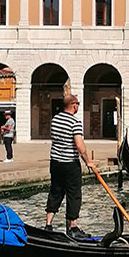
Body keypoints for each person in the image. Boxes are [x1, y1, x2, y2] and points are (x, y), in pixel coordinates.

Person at [45, 94, 97, 238]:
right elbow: (79, 146)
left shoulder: (55, 119)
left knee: (55, 191)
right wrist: (88, 161)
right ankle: (73, 228)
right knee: (74, 194)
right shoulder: (75, 122)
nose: (78, 106)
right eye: (78, 104)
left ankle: (48, 225)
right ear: (74, 105)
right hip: (70, 164)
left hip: (55, 162)